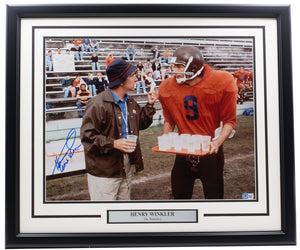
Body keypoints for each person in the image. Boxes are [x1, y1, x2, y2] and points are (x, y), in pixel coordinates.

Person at [158, 46, 237, 200]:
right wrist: (165, 139)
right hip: (184, 151)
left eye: (179, 66)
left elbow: (230, 121)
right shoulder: (166, 87)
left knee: (214, 198)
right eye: (173, 65)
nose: (173, 70)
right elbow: (169, 119)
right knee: (179, 196)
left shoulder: (221, 81)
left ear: (193, 68)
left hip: (210, 151)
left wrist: (217, 142)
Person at [80, 59, 158, 200]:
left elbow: (141, 123)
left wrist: (150, 106)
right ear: (121, 80)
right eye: (132, 75)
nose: (136, 78)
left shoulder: (130, 102)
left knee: (122, 211)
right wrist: (114, 143)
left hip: (124, 165)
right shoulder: (97, 104)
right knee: (104, 214)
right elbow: (87, 137)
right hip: (104, 171)